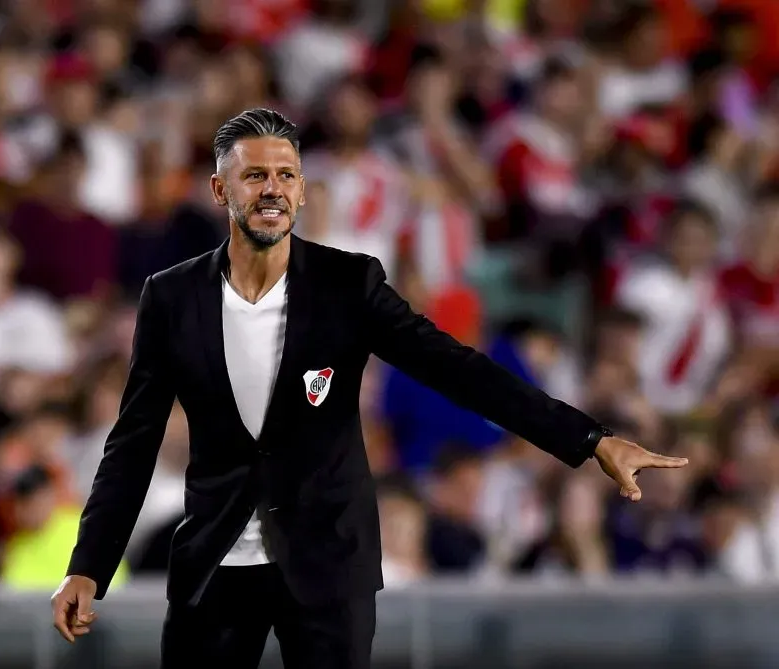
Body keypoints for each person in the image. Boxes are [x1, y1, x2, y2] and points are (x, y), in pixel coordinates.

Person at [51, 108, 688, 669]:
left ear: (302, 193)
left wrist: (589, 438)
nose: (272, 189)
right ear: (221, 189)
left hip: (329, 562)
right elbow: (132, 443)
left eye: (287, 176)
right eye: (254, 176)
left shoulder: (348, 286)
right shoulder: (171, 296)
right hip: (215, 565)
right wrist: (89, 565)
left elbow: (460, 371)